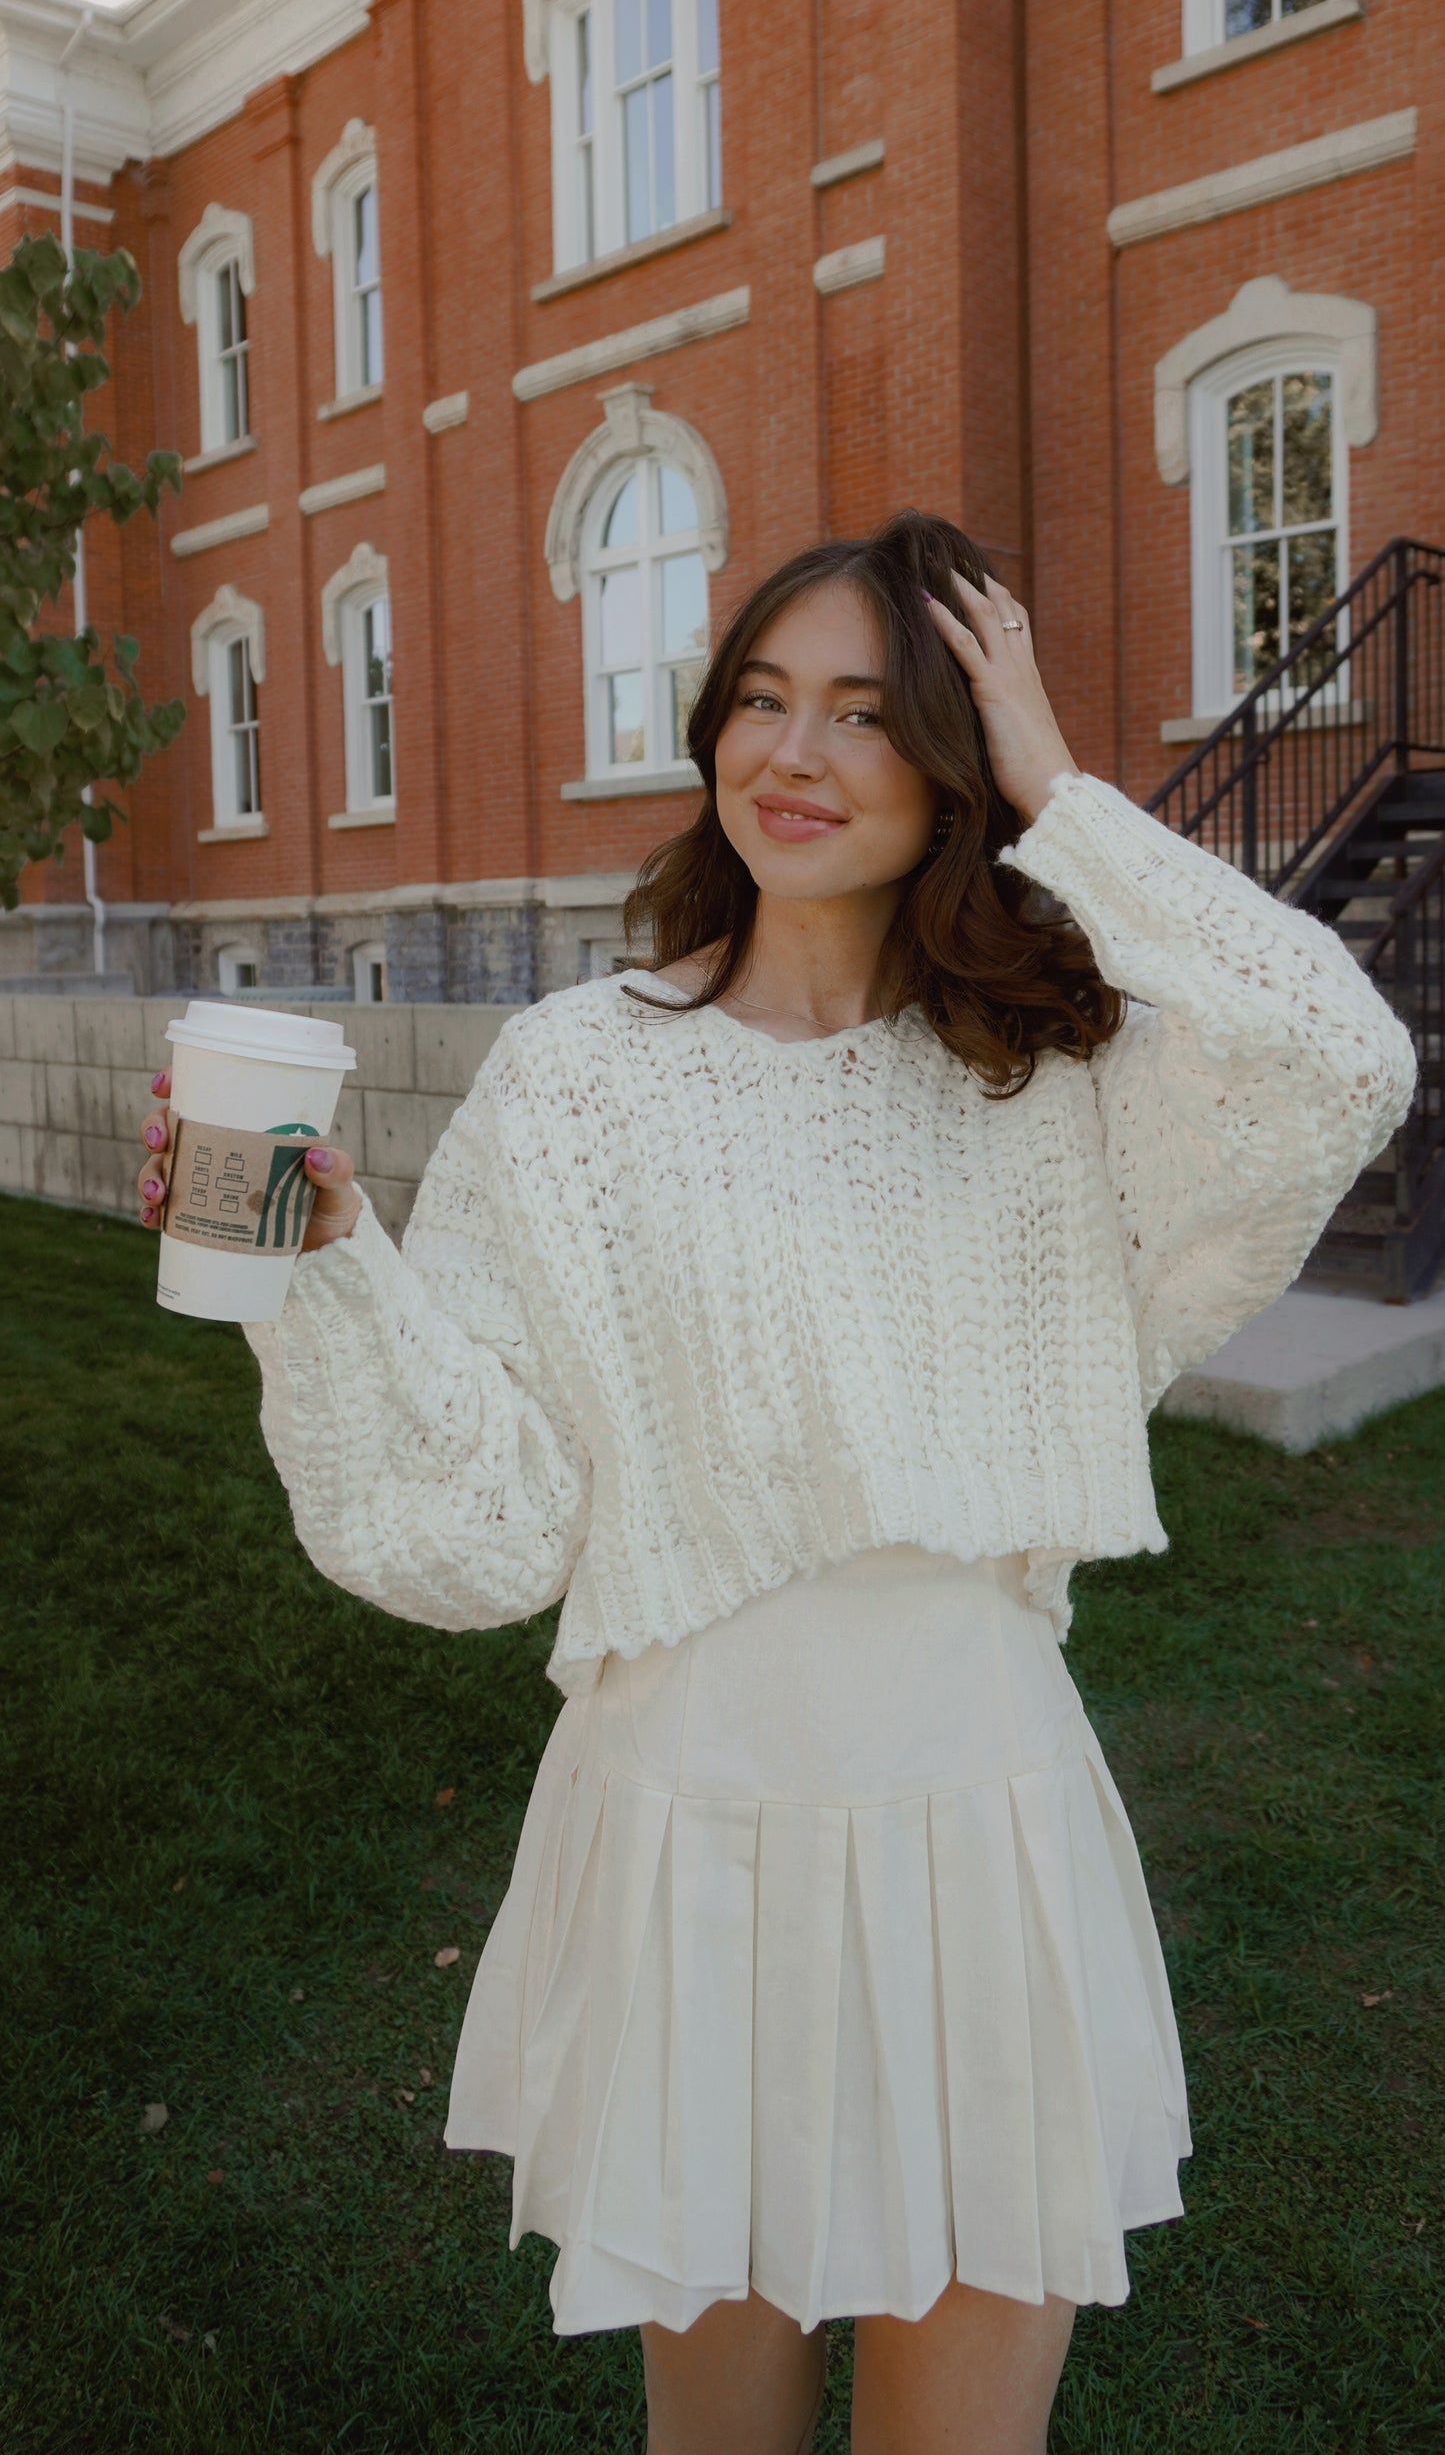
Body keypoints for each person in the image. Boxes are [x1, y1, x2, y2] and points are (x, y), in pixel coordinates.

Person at [136, 512, 1416, 2454]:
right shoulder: (579, 1078)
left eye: (864, 714)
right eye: (759, 700)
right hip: (684, 1835)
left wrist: (1063, 783)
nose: (794, 755)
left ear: (952, 759)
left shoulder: (1055, 1086)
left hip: (980, 1830)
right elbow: (488, 1524)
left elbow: (1337, 1057)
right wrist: (312, 1274)